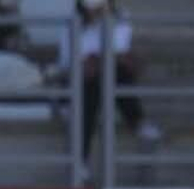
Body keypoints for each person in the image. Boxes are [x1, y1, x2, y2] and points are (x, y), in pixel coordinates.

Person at [55, 0, 161, 159]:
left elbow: (119, 49)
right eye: (92, 8)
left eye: (100, 7)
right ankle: (138, 121)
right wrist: (96, 59)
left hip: (108, 74)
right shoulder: (72, 23)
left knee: (110, 73)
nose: (95, 12)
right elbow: (69, 62)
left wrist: (100, 54)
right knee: (93, 86)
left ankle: (80, 162)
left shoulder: (120, 17)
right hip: (81, 78)